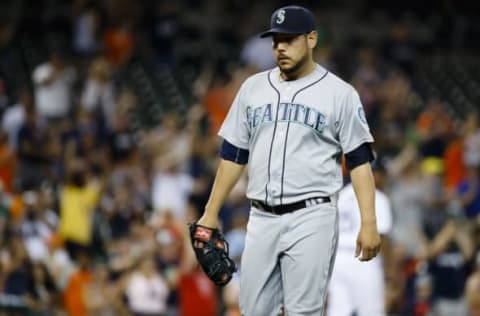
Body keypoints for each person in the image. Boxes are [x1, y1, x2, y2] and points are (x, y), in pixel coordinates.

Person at [196, 5, 381, 315]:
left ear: (311, 39)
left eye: (289, 39)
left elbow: (360, 160)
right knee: (253, 310)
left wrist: (369, 222)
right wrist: (210, 212)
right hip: (261, 218)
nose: (280, 47)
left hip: (312, 216)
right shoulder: (253, 88)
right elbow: (233, 155)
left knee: (303, 311)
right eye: (276, 40)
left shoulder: (340, 94)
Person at [327, 158, 393, 316]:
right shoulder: (377, 197)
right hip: (364, 261)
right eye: (381, 174)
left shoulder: (341, 195)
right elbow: (382, 238)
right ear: (374, 174)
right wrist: (391, 274)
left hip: (337, 261)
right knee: (372, 312)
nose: (384, 179)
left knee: (338, 312)